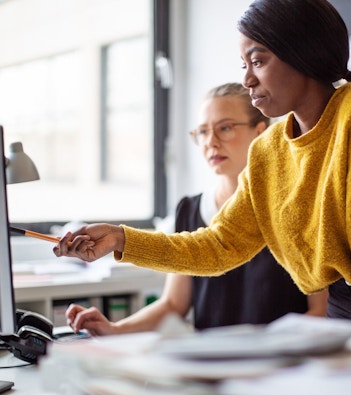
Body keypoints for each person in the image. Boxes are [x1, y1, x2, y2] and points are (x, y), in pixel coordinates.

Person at [55, 0, 351, 338]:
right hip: (349, 305)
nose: (248, 79)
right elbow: (218, 246)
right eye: (243, 64)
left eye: (258, 61)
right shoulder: (270, 149)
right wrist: (120, 238)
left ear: (302, 54)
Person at [65, 82, 327, 336]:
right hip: (210, 368)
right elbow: (173, 305)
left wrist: (261, 350)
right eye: (202, 131)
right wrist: (114, 329)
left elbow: (322, 311)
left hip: (279, 369)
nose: (210, 142)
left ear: (261, 132)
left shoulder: (294, 205)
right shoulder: (190, 210)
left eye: (225, 128)